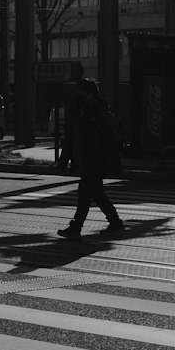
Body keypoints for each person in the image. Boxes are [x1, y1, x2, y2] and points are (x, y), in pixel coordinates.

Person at [56, 78, 125, 238]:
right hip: (87, 160)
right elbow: (72, 138)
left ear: (91, 94)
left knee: (86, 194)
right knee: (95, 194)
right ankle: (114, 222)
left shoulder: (98, 111)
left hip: (96, 160)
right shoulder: (79, 111)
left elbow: (109, 138)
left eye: (82, 93)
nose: (79, 96)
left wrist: (114, 162)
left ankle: (77, 227)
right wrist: (64, 161)